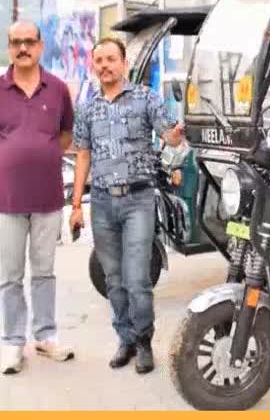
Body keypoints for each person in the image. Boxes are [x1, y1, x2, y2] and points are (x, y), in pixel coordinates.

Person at [70, 37, 184, 374]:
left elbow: (169, 136)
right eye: (99, 61)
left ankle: (145, 341)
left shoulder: (146, 99)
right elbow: (83, 155)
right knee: (113, 280)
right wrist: (77, 204)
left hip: (138, 200)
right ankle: (126, 340)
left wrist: (176, 134)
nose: (104, 66)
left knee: (137, 279)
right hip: (102, 203)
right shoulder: (89, 108)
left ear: (124, 64)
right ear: (94, 66)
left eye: (111, 59)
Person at [0, 20, 76, 375]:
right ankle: (12, 342)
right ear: (9, 48)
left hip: (48, 198)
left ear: (40, 45)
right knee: (10, 275)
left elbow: (65, 136)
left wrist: (37, 155)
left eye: (28, 42)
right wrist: (4, 168)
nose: (23, 48)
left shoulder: (58, 89)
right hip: (7, 201)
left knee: (44, 272)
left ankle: (46, 336)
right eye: (15, 42)